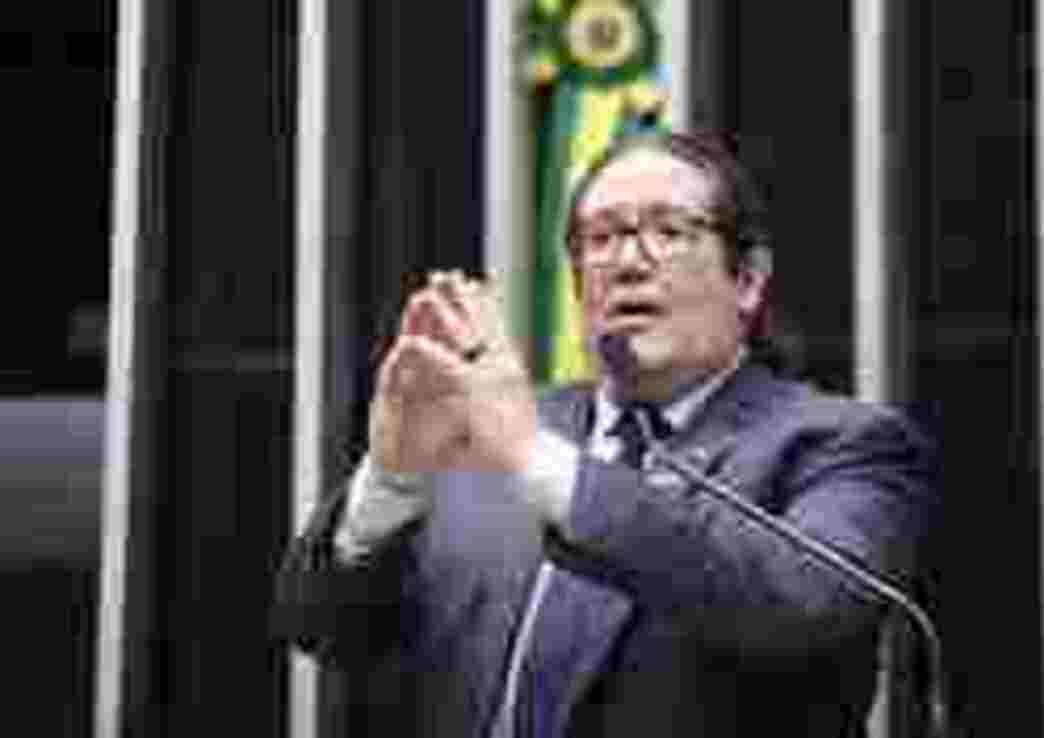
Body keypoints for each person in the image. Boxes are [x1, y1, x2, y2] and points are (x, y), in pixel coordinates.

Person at [272, 131, 939, 737]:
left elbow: (805, 605)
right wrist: (392, 477)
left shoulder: (842, 445)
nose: (627, 262)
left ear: (748, 279)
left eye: (669, 231)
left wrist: (531, 455)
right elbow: (325, 629)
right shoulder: (486, 438)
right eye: (600, 238)